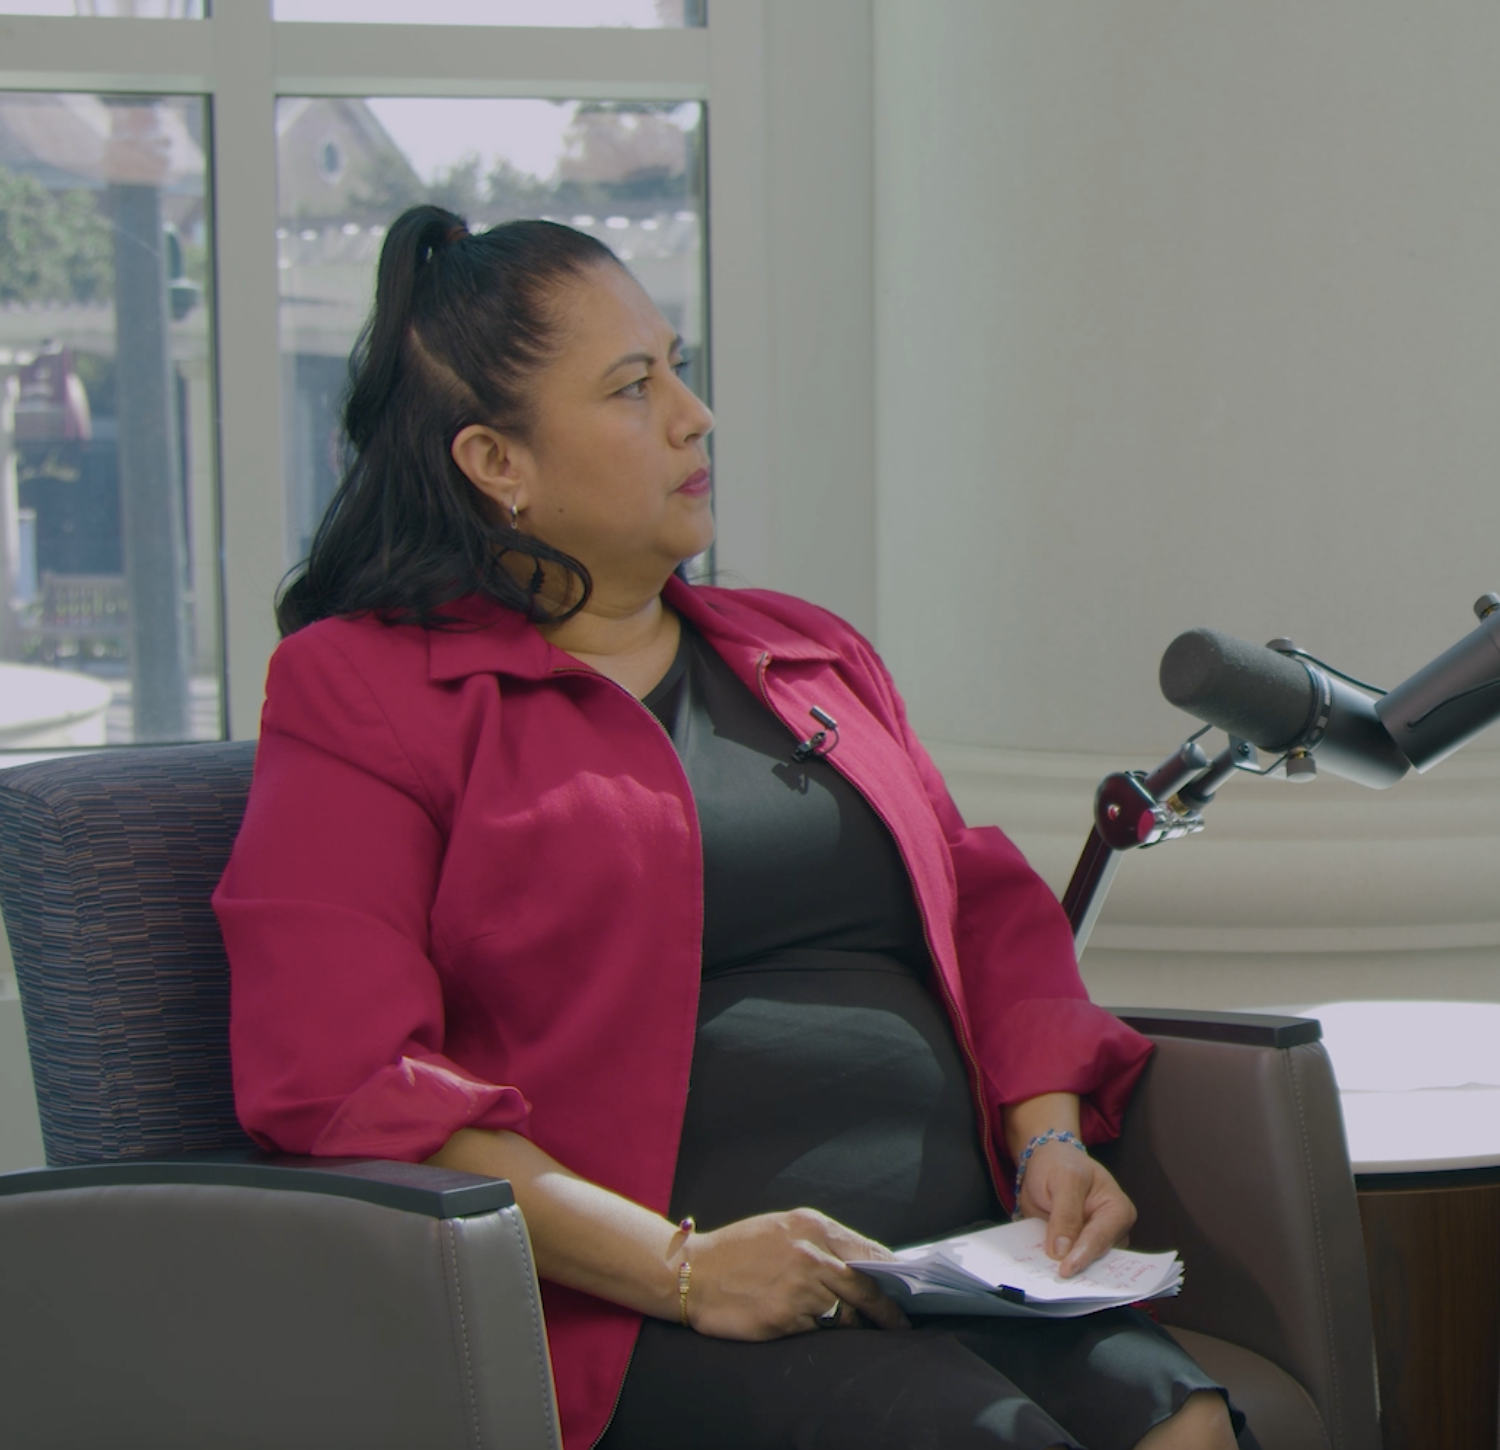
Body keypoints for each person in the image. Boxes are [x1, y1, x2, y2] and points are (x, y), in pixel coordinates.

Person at [215, 206, 1245, 1450]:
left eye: (679, 368)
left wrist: (1048, 1140)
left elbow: (983, 911)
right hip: (652, 1305)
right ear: (496, 462)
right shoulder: (363, 691)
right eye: (631, 387)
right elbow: (345, 1080)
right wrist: (686, 1270)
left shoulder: (807, 651)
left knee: (1182, 1425)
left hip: (955, 1264)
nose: (693, 415)